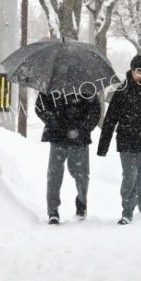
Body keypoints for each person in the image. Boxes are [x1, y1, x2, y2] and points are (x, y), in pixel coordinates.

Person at [97, 55, 141, 225]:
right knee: (129, 177)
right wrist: (103, 146)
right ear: (132, 70)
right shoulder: (122, 92)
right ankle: (127, 210)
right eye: (139, 71)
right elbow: (110, 119)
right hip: (126, 142)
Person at [36, 91, 101, 225]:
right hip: (57, 136)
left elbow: (95, 111)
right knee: (54, 174)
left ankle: (81, 205)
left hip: (79, 138)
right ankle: (53, 210)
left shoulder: (87, 85)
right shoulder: (52, 85)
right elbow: (40, 107)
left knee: (81, 174)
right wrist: (55, 122)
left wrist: (81, 128)